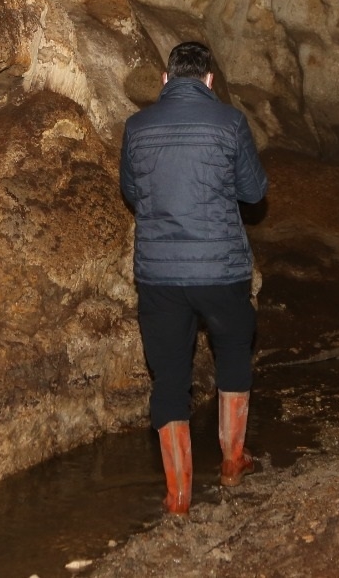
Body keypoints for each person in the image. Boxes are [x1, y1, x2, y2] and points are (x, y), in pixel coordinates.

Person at [119, 41, 269, 515]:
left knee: (169, 377)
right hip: (219, 269)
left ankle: (178, 497)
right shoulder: (229, 122)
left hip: (160, 275)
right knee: (232, 352)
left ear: (166, 80)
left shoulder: (137, 127)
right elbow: (253, 190)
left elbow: (130, 190)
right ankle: (231, 463)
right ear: (208, 81)